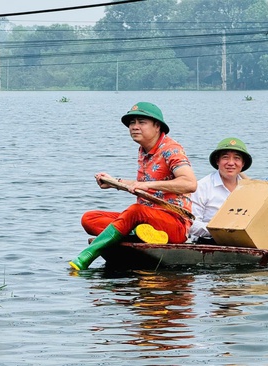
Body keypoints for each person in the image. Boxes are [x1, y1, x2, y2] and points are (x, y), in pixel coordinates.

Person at [70, 102, 197, 270]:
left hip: (174, 223)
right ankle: (140, 234)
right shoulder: (143, 150)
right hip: (145, 220)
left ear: (157, 126)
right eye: (132, 123)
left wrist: (148, 186)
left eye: (141, 122)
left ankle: (89, 254)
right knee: (89, 218)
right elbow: (140, 185)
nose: (134, 127)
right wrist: (114, 182)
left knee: (135, 211)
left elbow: (190, 183)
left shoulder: (171, 149)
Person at [189, 137, 252, 243]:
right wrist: (220, 230)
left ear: (243, 163)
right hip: (209, 241)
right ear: (217, 161)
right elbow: (191, 223)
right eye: (225, 158)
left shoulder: (250, 189)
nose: (231, 163)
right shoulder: (202, 187)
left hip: (242, 241)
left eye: (237, 158)